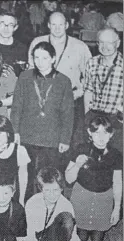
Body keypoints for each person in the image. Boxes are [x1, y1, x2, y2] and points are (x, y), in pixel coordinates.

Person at [11, 41, 74, 198]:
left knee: (49, 177)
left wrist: (65, 139)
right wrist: (15, 131)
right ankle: (24, 207)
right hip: (27, 135)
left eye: (45, 58)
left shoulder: (64, 81)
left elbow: (68, 113)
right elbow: (16, 106)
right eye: (36, 57)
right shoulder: (24, 77)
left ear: (53, 58)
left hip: (51, 137)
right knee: (26, 175)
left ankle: (48, 208)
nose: (40, 62)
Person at [28, 12, 91, 148]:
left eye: (61, 25)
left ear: (67, 25)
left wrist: (79, 92)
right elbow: (30, 72)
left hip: (71, 99)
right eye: (54, 24)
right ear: (48, 25)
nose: (57, 28)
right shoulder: (37, 42)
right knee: (43, 142)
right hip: (43, 102)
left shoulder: (80, 46)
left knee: (68, 142)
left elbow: (89, 76)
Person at [65, 116, 122, 241]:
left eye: (105, 133)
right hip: (82, 196)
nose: (101, 137)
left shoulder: (116, 155)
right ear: (90, 133)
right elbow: (68, 179)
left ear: (111, 134)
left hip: (104, 199)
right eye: (97, 132)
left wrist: (117, 208)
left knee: (97, 240)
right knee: (82, 238)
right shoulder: (80, 149)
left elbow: (118, 182)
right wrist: (77, 165)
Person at [24, 167, 80, 241]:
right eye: (47, 190)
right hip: (36, 238)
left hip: (55, 235)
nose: (52, 195)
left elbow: (73, 233)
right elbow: (27, 234)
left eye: (56, 190)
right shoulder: (32, 203)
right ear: (41, 189)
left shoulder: (66, 204)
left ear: (61, 189)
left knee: (67, 219)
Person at [83, 28, 123, 154]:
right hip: (94, 117)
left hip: (115, 121)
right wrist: (87, 115)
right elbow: (88, 90)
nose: (105, 47)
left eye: (109, 43)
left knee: (115, 159)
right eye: (101, 43)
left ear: (118, 43)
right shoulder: (92, 63)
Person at [0, 11, 28, 77]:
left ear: (15, 28)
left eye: (10, 25)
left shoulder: (21, 48)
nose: (6, 28)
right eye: (2, 24)